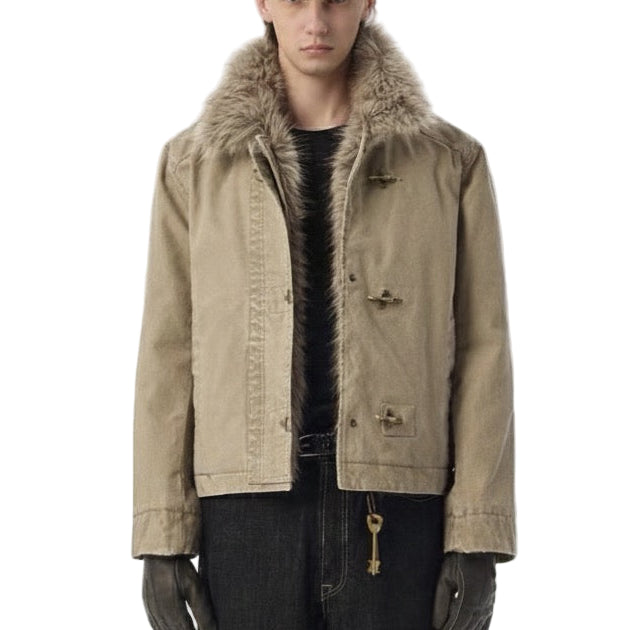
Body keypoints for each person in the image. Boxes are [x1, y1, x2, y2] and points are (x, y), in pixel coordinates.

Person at [132, 1, 516, 628]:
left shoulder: (448, 162)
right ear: (263, 4)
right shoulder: (194, 165)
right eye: (294, 0)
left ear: (368, 3)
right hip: (246, 511)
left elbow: (483, 349)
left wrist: (478, 534)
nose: (316, 21)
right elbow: (168, 351)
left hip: (395, 505)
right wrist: (162, 536)